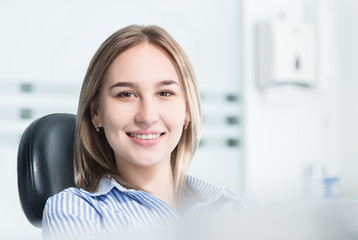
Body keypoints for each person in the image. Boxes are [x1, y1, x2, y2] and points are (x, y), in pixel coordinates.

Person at [42, 25, 257, 240]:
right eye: (126, 94)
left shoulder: (240, 208)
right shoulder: (76, 212)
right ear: (96, 112)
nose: (147, 116)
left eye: (164, 93)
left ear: (187, 111)